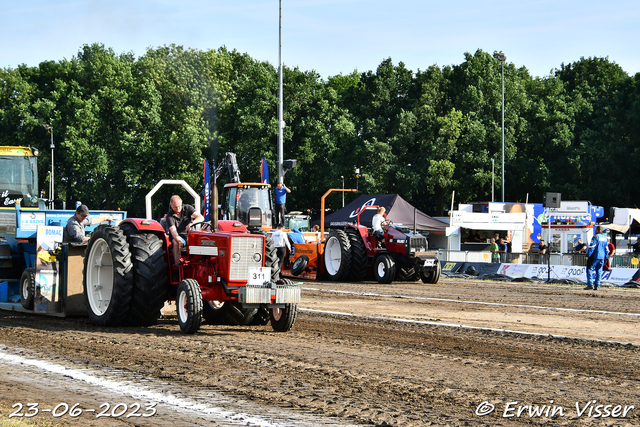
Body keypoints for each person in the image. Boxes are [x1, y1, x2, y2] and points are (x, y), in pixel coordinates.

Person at [166, 195, 204, 266]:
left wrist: (191, 223)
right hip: (178, 236)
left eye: (179, 206)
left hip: (189, 235)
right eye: (175, 207)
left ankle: (199, 264)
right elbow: (174, 232)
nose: (178, 208)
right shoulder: (169, 216)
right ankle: (177, 266)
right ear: (171, 205)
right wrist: (179, 241)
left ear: (181, 202)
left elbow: (200, 217)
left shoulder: (188, 208)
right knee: (175, 243)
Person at [585, 226, 609, 290]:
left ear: (597, 230)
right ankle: (597, 285)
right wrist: (606, 256)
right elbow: (607, 248)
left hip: (595, 256)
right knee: (599, 271)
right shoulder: (605, 238)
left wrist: (588, 255)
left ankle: (590, 284)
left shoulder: (596, 237)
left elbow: (592, 246)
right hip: (602, 257)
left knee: (590, 269)